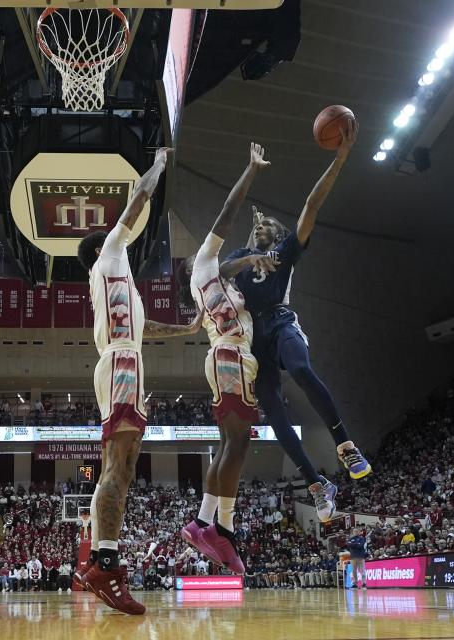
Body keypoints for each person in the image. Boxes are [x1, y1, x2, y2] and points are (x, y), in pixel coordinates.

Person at [74, 147, 203, 615]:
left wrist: (186, 329)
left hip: (128, 363)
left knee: (121, 469)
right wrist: (160, 163)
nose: (121, 236)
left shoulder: (118, 285)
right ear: (103, 245)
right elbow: (137, 200)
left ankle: (97, 561)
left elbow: (144, 327)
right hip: (122, 365)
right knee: (118, 466)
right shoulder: (109, 257)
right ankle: (106, 567)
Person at [220, 120, 368, 522]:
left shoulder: (286, 250)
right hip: (254, 341)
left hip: (282, 323)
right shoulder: (240, 255)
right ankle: (317, 484)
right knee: (274, 412)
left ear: (280, 234)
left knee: (301, 368)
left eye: (267, 224)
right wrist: (251, 256)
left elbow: (312, 205)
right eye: (257, 225)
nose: (261, 225)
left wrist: (340, 158)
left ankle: (345, 444)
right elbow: (222, 271)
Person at [176, 142, 277, 574]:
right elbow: (227, 211)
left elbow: (234, 268)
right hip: (228, 356)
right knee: (238, 442)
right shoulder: (203, 264)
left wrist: (254, 255)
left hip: (233, 357)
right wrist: (251, 169)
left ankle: (204, 523)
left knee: (229, 445)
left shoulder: (220, 281)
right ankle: (223, 530)